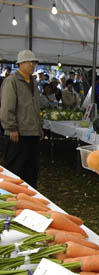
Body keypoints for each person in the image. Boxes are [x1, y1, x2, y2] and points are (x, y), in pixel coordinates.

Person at [0, 50, 44, 188]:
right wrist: (11, 127)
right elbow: (7, 106)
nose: (33, 65)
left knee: (31, 169)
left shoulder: (33, 82)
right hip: (17, 134)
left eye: (34, 62)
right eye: (30, 62)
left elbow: (36, 106)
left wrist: (39, 127)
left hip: (32, 133)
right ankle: (11, 196)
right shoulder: (11, 81)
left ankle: (31, 195)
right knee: (14, 169)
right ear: (21, 64)